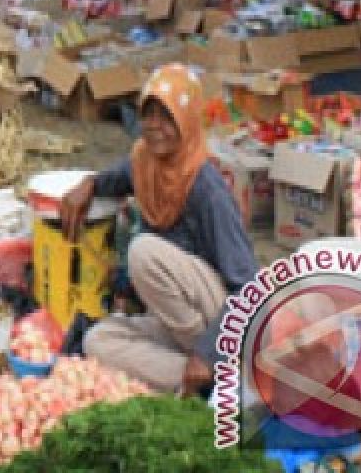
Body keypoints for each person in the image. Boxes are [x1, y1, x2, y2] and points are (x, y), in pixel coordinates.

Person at [60, 64, 258, 395]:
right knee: (98, 341)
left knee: (143, 251)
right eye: (148, 115)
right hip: (181, 326)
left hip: (221, 323)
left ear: (188, 123)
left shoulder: (206, 188)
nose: (154, 127)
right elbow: (122, 174)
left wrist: (210, 352)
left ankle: (216, 364)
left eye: (167, 117)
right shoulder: (147, 160)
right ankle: (203, 380)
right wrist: (90, 183)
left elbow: (249, 289)